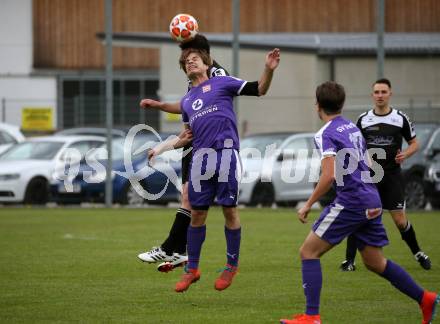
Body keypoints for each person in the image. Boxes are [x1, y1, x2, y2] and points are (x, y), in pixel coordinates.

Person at [279, 81, 438, 324]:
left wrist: (308, 203)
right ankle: (425, 298)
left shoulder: (325, 133)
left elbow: (328, 175)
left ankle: (311, 316)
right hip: (371, 197)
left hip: (352, 200)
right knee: (375, 262)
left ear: (317, 106)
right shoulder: (352, 128)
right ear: (341, 104)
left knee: (308, 252)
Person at [145, 47, 280, 292]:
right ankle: (192, 269)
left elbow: (259, 88)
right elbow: (185, 136)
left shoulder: (223, 83)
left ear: (207, 64)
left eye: (195, 59)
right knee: (197, 214)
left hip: (226, 155)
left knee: (229, 211)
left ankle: (231, 266)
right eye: (186, 62)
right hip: (200, 160)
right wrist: (160, 149)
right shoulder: (188, 101)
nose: (190, 63)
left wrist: (268, 70)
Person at [137, 35, 229, 272]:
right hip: (194, 143)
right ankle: (180, 252)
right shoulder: (193, 82)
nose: (187, 60)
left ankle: (172, 249)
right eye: (185, 57)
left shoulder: (217, 74)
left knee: (201, 202)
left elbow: (226, 93)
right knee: (189, 200)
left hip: (212, 146)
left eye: (191, 55)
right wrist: (159, 109)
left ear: (203, 55)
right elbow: (186, 107)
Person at [340, 78, 431, 272]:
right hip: (369, 176)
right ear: (372, 95)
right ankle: (349, 261)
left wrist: (405, 153)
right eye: (377, 92)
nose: (380, 95)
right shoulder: (364, 119)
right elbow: (356, 144)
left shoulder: (400, 118)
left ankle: (418, 253)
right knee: (360, 215)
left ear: (390, 94)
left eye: (383, 92)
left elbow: (415, 143)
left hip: (392, 176)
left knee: (399, 220)